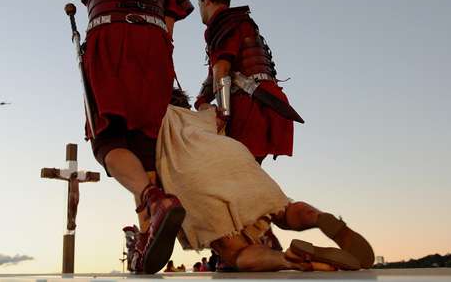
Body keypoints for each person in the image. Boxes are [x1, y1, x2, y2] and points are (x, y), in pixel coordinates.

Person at [72, 0, 193, 274]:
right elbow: (171, 20)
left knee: (108, 140)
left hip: (108, 37)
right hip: (155, 46)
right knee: (144, 142)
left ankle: (152, 200)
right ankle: (148, 233)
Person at [155, 93, 374, 271]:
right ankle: (319, 218)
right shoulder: (204, 115)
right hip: (232, 155)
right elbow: (220, 113)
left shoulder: (152, 115)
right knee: (282, 210)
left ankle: (289, 259)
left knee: (234, 251)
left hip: (192, 173)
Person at [194, 0, 299, 165]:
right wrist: (201, 100)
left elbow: (222, 69)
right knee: (245, 172)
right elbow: (216, 74)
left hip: (249, 104)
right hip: (269, 100)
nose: (200, 10)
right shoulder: (241, 21)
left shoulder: (222, 22)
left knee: (235, 172)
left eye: (200, 3)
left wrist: (223, 114)